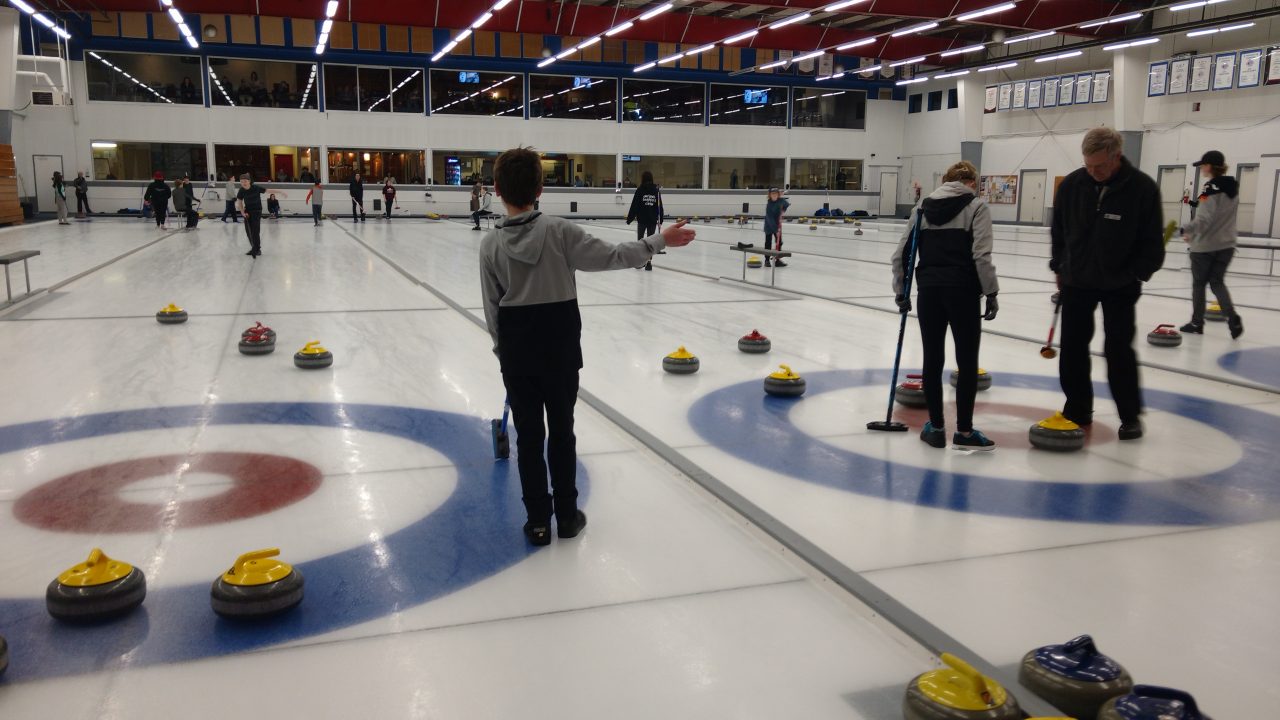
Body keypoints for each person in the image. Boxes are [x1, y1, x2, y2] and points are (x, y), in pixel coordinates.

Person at [479, 147, 696, 546]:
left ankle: (538, 522)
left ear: (496, 189)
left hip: (518, 354)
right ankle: (567, 513)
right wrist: (658, 241)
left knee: (529, 438)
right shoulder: (560, 232)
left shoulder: (490, 246)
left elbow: (493, 311)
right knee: (562, 431)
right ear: (540, 188)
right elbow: (612, 256)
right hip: (560, 349)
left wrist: (503, 354)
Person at [1050, 127, 1165, 440]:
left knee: (1118, 350)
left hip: (1120, 286)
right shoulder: (1073, 184)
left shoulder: (1142, 189)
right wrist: (1059, 264)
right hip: (1076, 282)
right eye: (1088, 165)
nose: (1092, 171)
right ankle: (1077, 408)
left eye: (1099, 166)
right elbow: (1058, 231)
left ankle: (1130, 415)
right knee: (1072, 348)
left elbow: (1153, 243)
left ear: (1116, 157)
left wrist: (1135, 273)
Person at [891, 161, 1000, 450]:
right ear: (972, 183)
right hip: (963, 293)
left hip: (929, 292)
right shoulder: (977, 207)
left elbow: (901, 254)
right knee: (967, 362)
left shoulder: (922, 209)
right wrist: (991, 292)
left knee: (932, 358)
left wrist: (902, 291)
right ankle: (964, 432)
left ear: (946, 181)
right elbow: (981, 256)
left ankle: (936, 428)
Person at [1180, 150, 1243, 339]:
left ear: (1209, 166)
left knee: (1199, 284)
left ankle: (1197, 323)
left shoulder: (1209, 190)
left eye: (1202, 165)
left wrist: (1185, 229)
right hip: (1227, 245)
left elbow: (1204, 220)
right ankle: (1232, 319)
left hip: (1205, 247)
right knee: (1217, 282)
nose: (1201, 168)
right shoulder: (1233, 189)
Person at [625, 171, 664, 271]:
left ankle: (640, 262)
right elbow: (659, 206)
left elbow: (634, 205)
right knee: (650, 242)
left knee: (640, 241)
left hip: (642, 220)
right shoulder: (656, 191)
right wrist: (661, 218)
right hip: (652, 220)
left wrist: (630, 218)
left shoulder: (640, 190)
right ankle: (649, 262)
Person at [235, 173, 266, 258]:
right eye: (241, 182)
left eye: (245, 181)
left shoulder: (256, 188)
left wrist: (280, 192)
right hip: (247, 212)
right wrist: (242, 212)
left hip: (257, 211)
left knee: (255, 231)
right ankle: (254, 248)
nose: (243, 183)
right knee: (249, 231)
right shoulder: (241, 190)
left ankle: (257, 249)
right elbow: (239, 201)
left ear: (249, 181)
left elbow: (267, 191)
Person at [763, 187, 789, 268]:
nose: (774, 196)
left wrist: (783, 210)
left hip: (777, 224)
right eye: (772, 194)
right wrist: (776, 230)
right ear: (770, 195)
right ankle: (767, 260)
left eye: (776, 194)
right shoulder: (769, 204)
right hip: (769, 225)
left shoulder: (780, 201)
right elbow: (770, 218)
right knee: (768, 243)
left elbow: (786, 204)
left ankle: (777, 260)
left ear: (778, 194)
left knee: (779, 242)